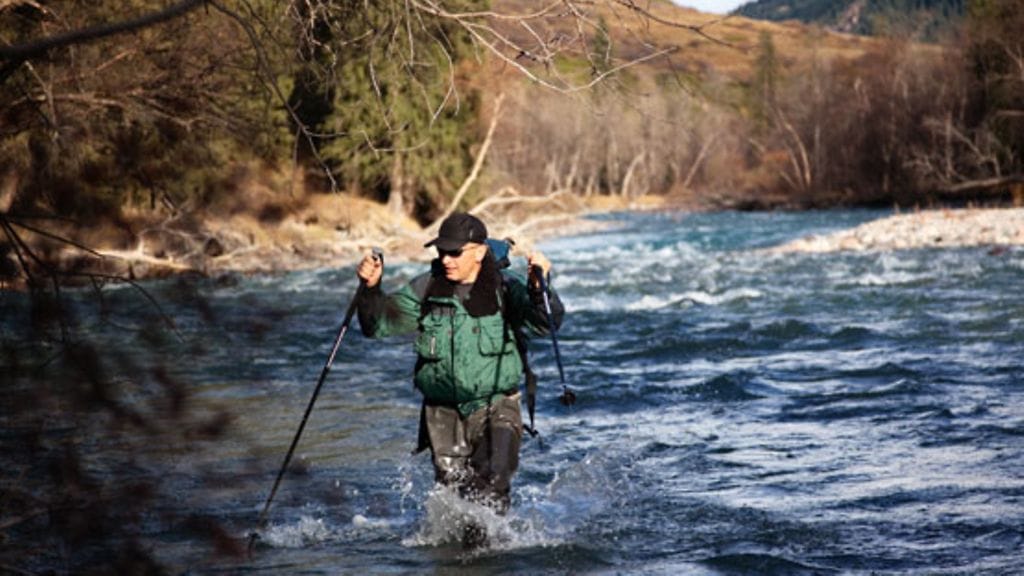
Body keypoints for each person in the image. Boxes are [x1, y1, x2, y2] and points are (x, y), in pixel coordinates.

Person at [355, 212, 563, 526]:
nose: (446, 259)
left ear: (479, 251)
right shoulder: (426, 288)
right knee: (453, 504)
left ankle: (489, 557)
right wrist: (370, 290)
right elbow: (378, 325)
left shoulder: (506, 288)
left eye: (455, 252)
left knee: (490, 487)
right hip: (442, 415)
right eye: (441, 251)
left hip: (497, 406)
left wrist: (539, 288)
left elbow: (546, 323)